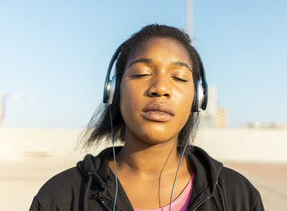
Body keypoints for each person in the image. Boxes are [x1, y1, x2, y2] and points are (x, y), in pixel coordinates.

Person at [29, 24, 264, 211]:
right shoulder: (59, 197)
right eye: (142, 73)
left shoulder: (238, 196)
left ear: (197, 98)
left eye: (179, 77)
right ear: (114, 92)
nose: (160, 88)